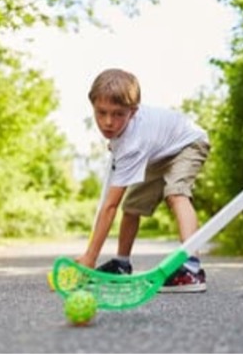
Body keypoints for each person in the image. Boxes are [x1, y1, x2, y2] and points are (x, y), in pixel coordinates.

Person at [75, 68, 209, 293]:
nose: (108, 122)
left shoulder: (133, 144)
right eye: (101, 112)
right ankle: (121, 264)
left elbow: (109, 207)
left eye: (118, 114)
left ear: (133, 111)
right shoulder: (127, 138)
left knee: (176, 193)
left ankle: (191, 267)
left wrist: (90, 257)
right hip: (158, 152)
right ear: (93, 107)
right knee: (132, 206)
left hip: (188, 143)